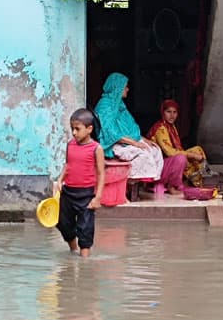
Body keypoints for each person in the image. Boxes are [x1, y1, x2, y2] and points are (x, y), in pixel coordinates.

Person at [93, 73, 170, 194]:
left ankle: (145, 185)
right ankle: (129, 186)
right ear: (117, 87)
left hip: (125, 140)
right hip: (112, 144)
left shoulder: (119, 104)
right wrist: (135, 143)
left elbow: (129, 128)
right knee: (143, 154)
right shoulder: (105, 106)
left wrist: (142, 139)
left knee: (154, 149)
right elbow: (112, 133)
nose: (127, 89)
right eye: (125, 87)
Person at [53, 108, 105, 257]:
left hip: (86, 195)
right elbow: (68, 165)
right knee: (63, 223)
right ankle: (73, 250)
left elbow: (101, 174)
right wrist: (60, 180)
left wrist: (97, 198)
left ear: (89, 129)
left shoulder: (96, 148)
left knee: (85, 230)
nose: (74, 133)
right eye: (72, 129)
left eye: (77, 129)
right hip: (68, 193)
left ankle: (84, 262)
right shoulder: (70, 145)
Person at [147, 99, 208, 189]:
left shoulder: (171, 127)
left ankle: (197, 183)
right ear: (163, 113)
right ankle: (173, 186)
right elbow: (169, 152)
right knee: (181, 158)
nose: (172, 115)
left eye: (174, 112)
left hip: (167, 163)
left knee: (197, 150)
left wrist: (193, 155)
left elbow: (178, 150)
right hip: (157, 168)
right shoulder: (160, 128)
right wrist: (191, 155)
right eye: (168, 112)